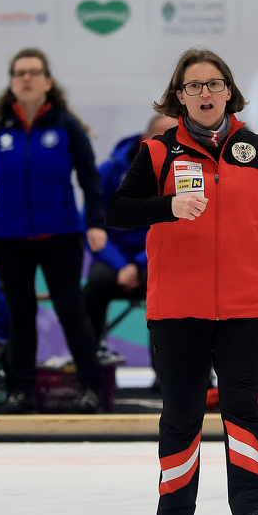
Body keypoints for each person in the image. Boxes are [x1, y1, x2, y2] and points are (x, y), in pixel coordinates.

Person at [105, 48, 258, 515]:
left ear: (229, 91)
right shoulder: (158, 153)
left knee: (243, 409)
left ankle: (252, 514)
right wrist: (169, 206)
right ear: (178, 96)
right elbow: (117, 211)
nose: (205, 93)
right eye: (194, 85)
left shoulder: (257, 148)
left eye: (214, 84)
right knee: (182, 415)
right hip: (178, 307)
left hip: (247, 304)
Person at [0, 48, 105, 414]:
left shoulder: (66, 126)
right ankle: (20, 392)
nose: (27, 78)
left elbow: (89, 177)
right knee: (19, 315)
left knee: (71, 311)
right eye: (20, 73)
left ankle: (91, 388)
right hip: (9, 237)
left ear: (48, 82)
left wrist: (96, 224)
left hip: (61, 235)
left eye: (34, 72)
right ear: (11, 83)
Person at [82, 115, 176, 359]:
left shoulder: (185, 173)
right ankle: (89, 363)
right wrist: (121, 265)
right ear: (145, 140)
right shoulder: (109, 170)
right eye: (163, 136)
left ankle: (165, 370)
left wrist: (137, 264)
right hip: (113, 256)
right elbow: (92, 223)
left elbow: (179, 229)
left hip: (157, 257)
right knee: (97, 281)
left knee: (165, 285)